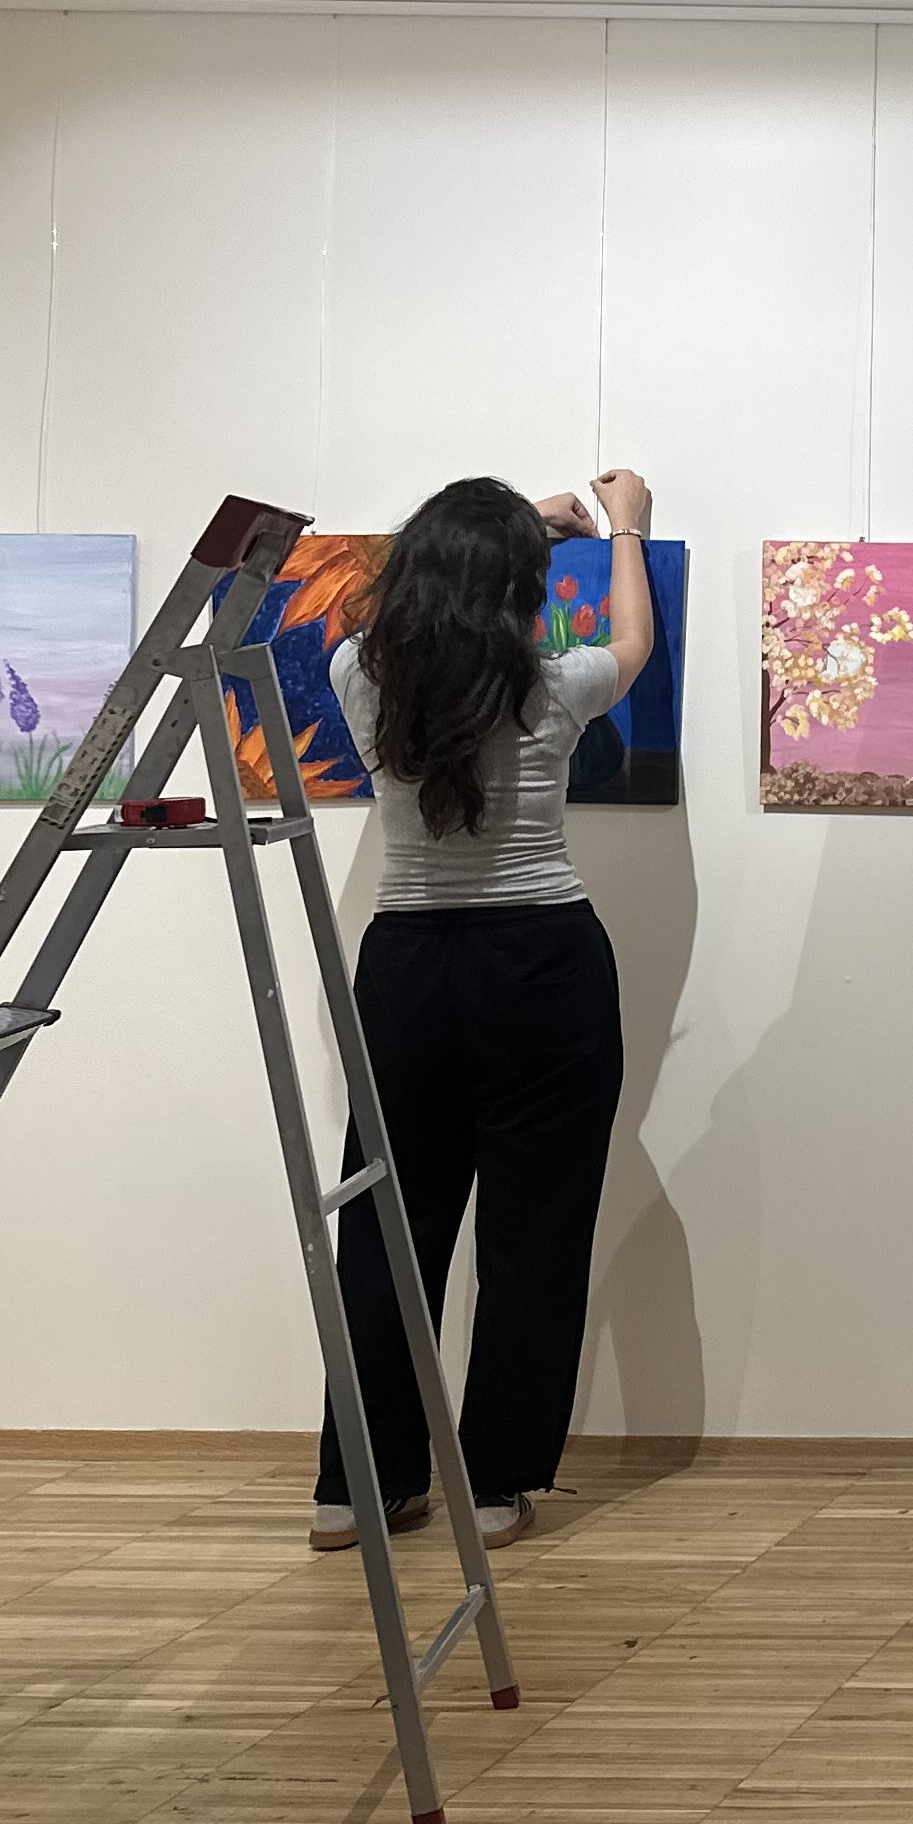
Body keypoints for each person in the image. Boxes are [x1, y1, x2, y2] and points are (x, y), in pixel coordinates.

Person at [311, 469, 654, 1552]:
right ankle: (496, 1485)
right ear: (520, 586)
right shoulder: (553, 684)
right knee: (532, 1235)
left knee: (387, 1231)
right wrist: (627, 529)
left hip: (406, 970)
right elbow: (636, 642)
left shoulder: (357, 672)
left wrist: (513, 518)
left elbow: (419, 579)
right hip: (542, 965)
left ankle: (358, 1489)